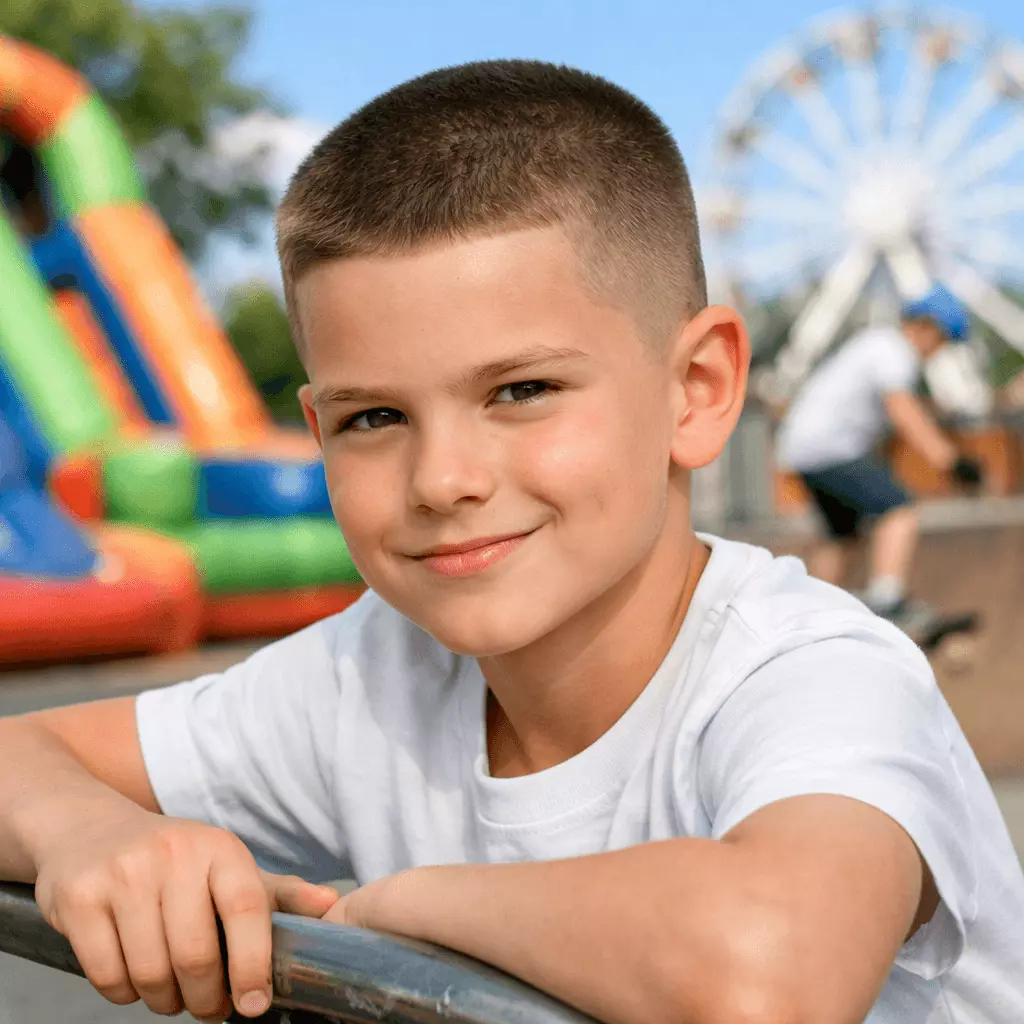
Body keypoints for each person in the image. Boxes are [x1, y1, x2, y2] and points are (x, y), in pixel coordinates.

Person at [1, 61, 1022, 1024]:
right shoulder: (371, 679)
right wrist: (92, 834)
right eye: (372, 418)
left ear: (697, 390)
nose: (444, 479)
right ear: (315, 431)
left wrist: (395, 916)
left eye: (521, 390)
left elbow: (768, 970)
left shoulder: (809, 672)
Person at [774, 286, 985, 628]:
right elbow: (902, 410)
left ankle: (807, 614)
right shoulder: (893, 350)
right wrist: (951, 461)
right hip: (829, 448)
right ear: (929, 327)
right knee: (898, 510)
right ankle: (887, 600)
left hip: (802, 448)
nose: (939, 350)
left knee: (842, 535)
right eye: (943, 340)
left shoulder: (874, 345)